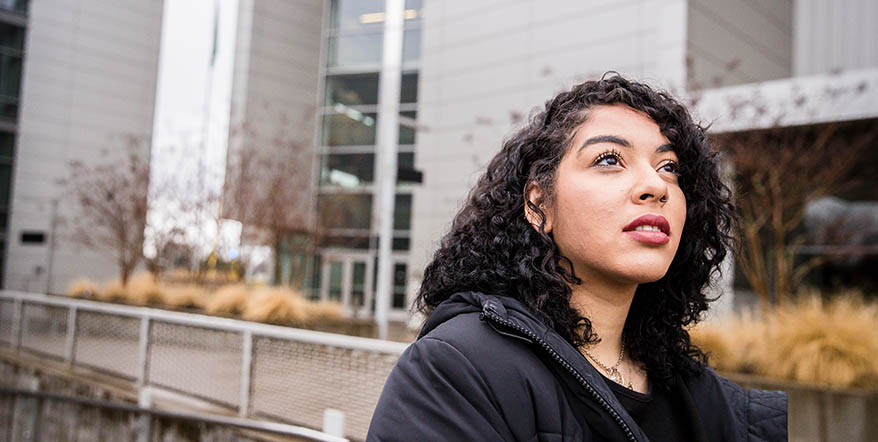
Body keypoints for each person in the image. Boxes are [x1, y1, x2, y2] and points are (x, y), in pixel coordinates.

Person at [367, 75, 788, 441]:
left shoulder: (706, 399)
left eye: (669, 167)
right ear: (538, 204)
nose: (655, 186)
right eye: (609, 159)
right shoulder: (456, 370)